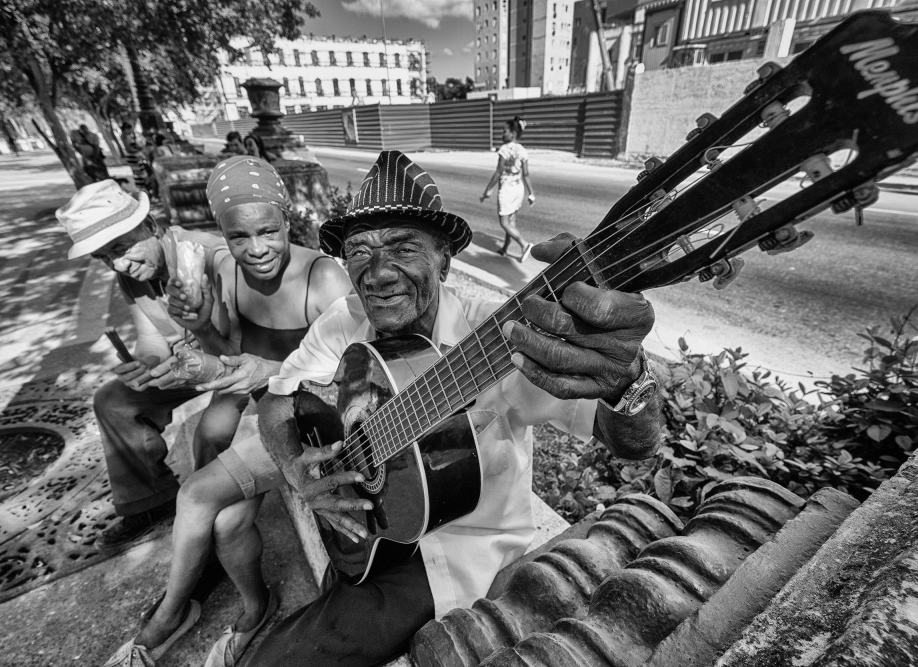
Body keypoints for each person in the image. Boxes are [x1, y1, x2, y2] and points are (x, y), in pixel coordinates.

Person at [244, 150, 662, 667]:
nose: (377, 274)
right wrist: (296, 470)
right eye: (358, 252)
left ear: (444, 259)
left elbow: (633, 443)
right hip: (375, 531)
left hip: (456, 556)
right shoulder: (343, 320)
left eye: (402, 247)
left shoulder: (500, 337)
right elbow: (277, 400)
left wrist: (629, 380)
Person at [103, 156, 352, 667]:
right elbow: (228, 353)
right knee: (226, 524)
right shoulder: (225, 270)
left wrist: (268, 370)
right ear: (223, 236)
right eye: (239, 237)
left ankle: (168, 618)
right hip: (265, 416)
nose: (256, 249)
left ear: (289, 221)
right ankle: (256, 610)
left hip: (311, 422)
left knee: (197, 493)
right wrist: (197, 338)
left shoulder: (322, 277)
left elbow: (355, 375)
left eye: (269, 231)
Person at [56, 181, 228, 547]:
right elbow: (152, 338)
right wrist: (145, 364)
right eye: (103, 258)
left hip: (233, 360)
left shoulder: (209, 255)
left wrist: (195, 354)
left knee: (210, 435)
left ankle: (207, 537)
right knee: (113, 400)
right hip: (190, 363)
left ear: (149, 225)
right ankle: (150, 502)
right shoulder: (132, 273)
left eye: (120, 248)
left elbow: (242, 344)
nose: (118, 264)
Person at [480, 116, 536, 262]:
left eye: (504, 131)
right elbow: (526, 174)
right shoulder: (523, 150)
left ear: (513, 133)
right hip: (518, 189)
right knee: (511, 221)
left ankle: (524, 245)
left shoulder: (504, 149)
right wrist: (531, 194)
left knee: (504, 223)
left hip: (506, 191)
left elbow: (498, 172)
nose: (502, 134)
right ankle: (505, 248)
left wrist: (487, 190)